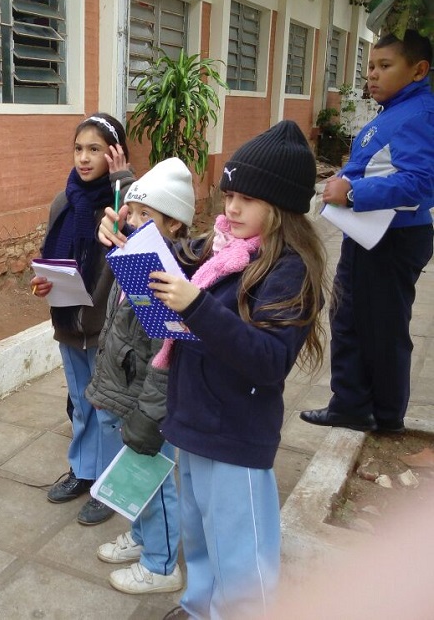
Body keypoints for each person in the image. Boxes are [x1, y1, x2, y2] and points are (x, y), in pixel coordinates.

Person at [100, 120, 327, 619]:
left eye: (247, 199)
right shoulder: (221, 248)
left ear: (282, 206)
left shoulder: (289, 269)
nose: (231, 208)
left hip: (236, 435)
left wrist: (196, 306)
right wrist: (125, 241)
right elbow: (169, 262)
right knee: (198, 535)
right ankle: (198, 606)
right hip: (194, 420)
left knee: (242, 556)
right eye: (228, 195)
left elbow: (268, 362)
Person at [301, 30, 434, 433]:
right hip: (367, 234)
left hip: (392, 238)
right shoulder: (394, 109)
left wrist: (355, 191)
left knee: (382, 326)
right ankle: (351, 404)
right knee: (349, 317)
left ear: (418, 70)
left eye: (384, 66)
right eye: (370, 67)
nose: (372, 75)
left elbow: (420, 182)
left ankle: (387, 414)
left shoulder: (419, 114)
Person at [86, 157, 195, 595]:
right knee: (134, 477)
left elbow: (166, 359)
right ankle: (144, 535)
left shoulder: (166, 279)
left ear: (174, 226)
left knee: (151, 479)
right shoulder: (136, 260)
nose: (131, 221)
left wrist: (150, 415)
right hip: (121, 391)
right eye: (132, 212)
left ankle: (162, 564)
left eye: (145, 216)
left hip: (143, 403)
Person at [30, 113, 135, 526]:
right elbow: (47, 258)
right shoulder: (64, 201)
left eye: (95, 149)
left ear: (113, 153)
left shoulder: (122, 202)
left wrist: (124, 177)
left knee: (109, 409)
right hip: (68, 323)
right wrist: (41, 282)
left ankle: (109, 484)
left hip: (107, 327)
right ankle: (84, 470)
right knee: (81, 404)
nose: (84, 158)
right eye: (79, 149)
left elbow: (143, 239)